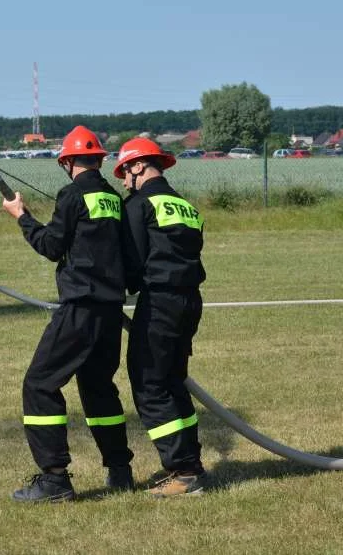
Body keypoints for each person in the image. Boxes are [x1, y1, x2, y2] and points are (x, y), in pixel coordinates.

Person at [0, 125, 134, 502]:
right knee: (98, 388)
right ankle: (119, 470)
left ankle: (55, 479)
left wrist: (21, 215)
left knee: (40, 384)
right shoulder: (112, 197)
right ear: (99, 160)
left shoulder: (73, 194)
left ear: (67, 161)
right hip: (109, 311)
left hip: (80, 308)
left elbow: (51, 245)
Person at [113, 137, 207, 497]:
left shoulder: (139, 205)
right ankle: (190, 464)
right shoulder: (183, 204)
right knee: (172, 382)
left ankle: (183, 473)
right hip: (189, 302)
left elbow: (134, 265)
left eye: (125, 172)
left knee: (150, 385)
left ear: (138, 166)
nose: (123, 181)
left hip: (160, 305)